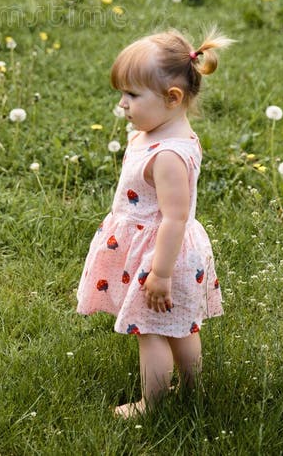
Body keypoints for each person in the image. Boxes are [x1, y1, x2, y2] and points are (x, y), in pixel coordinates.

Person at [77, 28, 233, 419]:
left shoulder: (167, 155)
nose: (123, 104)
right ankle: (193, 389)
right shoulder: (156, 134)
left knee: (150, 330)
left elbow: (176, 217)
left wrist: (160, 274)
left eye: (132, 95)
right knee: (181, 325)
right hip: (161, 251)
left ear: (172, 98)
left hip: (163, 256)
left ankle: (153, 403)